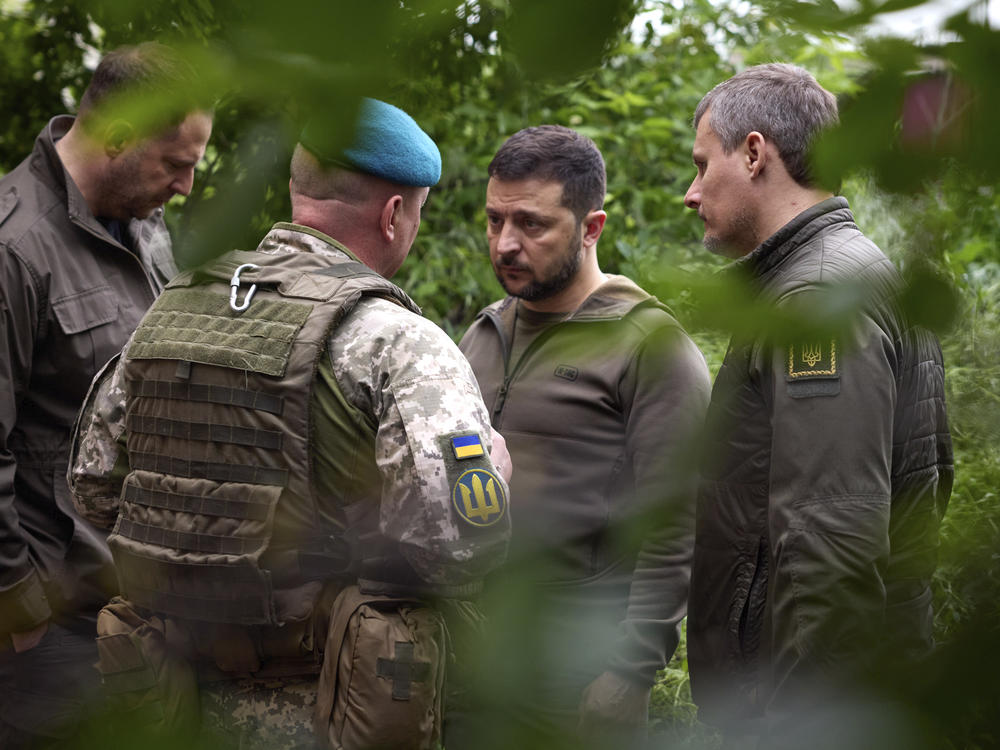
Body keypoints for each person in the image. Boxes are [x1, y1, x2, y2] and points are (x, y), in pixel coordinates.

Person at [69, 97, 511, 749]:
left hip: (173, 700)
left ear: (297, 192)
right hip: (328, 706)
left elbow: (94, 488)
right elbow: (462, 545)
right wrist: (494, 476)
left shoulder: (170, 313)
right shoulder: (396, 343)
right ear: (394, 214)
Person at [682, 63, 953, 747]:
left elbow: (830, 543)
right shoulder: (830, 278)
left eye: (701, 164)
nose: (691, 193)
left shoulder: (817, 299)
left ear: (753, 153)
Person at [452, 125, 711, 748]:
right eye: (494, 221)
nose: (506, 244)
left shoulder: (649, 344)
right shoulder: (482, 335)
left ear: (591, 227)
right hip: (472, 654)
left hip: (577, 668)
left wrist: (630, 671)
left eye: (532, 225)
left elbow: (678, 520)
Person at [0, 42, 212, 747]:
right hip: (51, 635)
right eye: (176, 164)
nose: (185, 186)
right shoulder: (16, 249)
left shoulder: (143, 220)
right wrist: (19, 608)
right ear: (118, 139)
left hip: (143, 612)